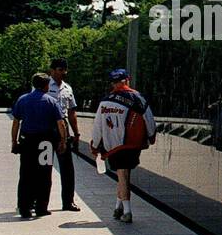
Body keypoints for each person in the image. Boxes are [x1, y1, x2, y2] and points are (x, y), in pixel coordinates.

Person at [89, 68, 156, 223]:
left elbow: (98, 126)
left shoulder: (105, 101)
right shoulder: (137, 97)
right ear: (127, 80)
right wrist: (151, 137)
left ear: (113, 83)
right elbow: (149, 119)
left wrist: (95, 145)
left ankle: (127, 211)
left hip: (112, 145)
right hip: (132, 144)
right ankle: (119, 207)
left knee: (122, 174)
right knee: (124, 175)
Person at [10, 72, 67, 219]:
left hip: (27, 141)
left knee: (26, 174)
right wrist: (63, 141)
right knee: (44, 174)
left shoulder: (22, 100)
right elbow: (60, 123)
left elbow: (16, 122)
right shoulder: (51, 101)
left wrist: (14, 141)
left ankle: (24, 208)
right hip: (45, 142)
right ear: (46, 85)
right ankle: (41, 207)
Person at [48, 57, 81, 211]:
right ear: (52, 70)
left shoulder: (68, 88)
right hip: (47, 130)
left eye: (65, 70)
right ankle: (38, 200)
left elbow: (72, 111)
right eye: (60, 70)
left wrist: (76, 133)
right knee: (44, 166)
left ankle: (68, 201)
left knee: (67, 168)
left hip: (65, 130)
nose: (63, 73)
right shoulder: (43, 86)